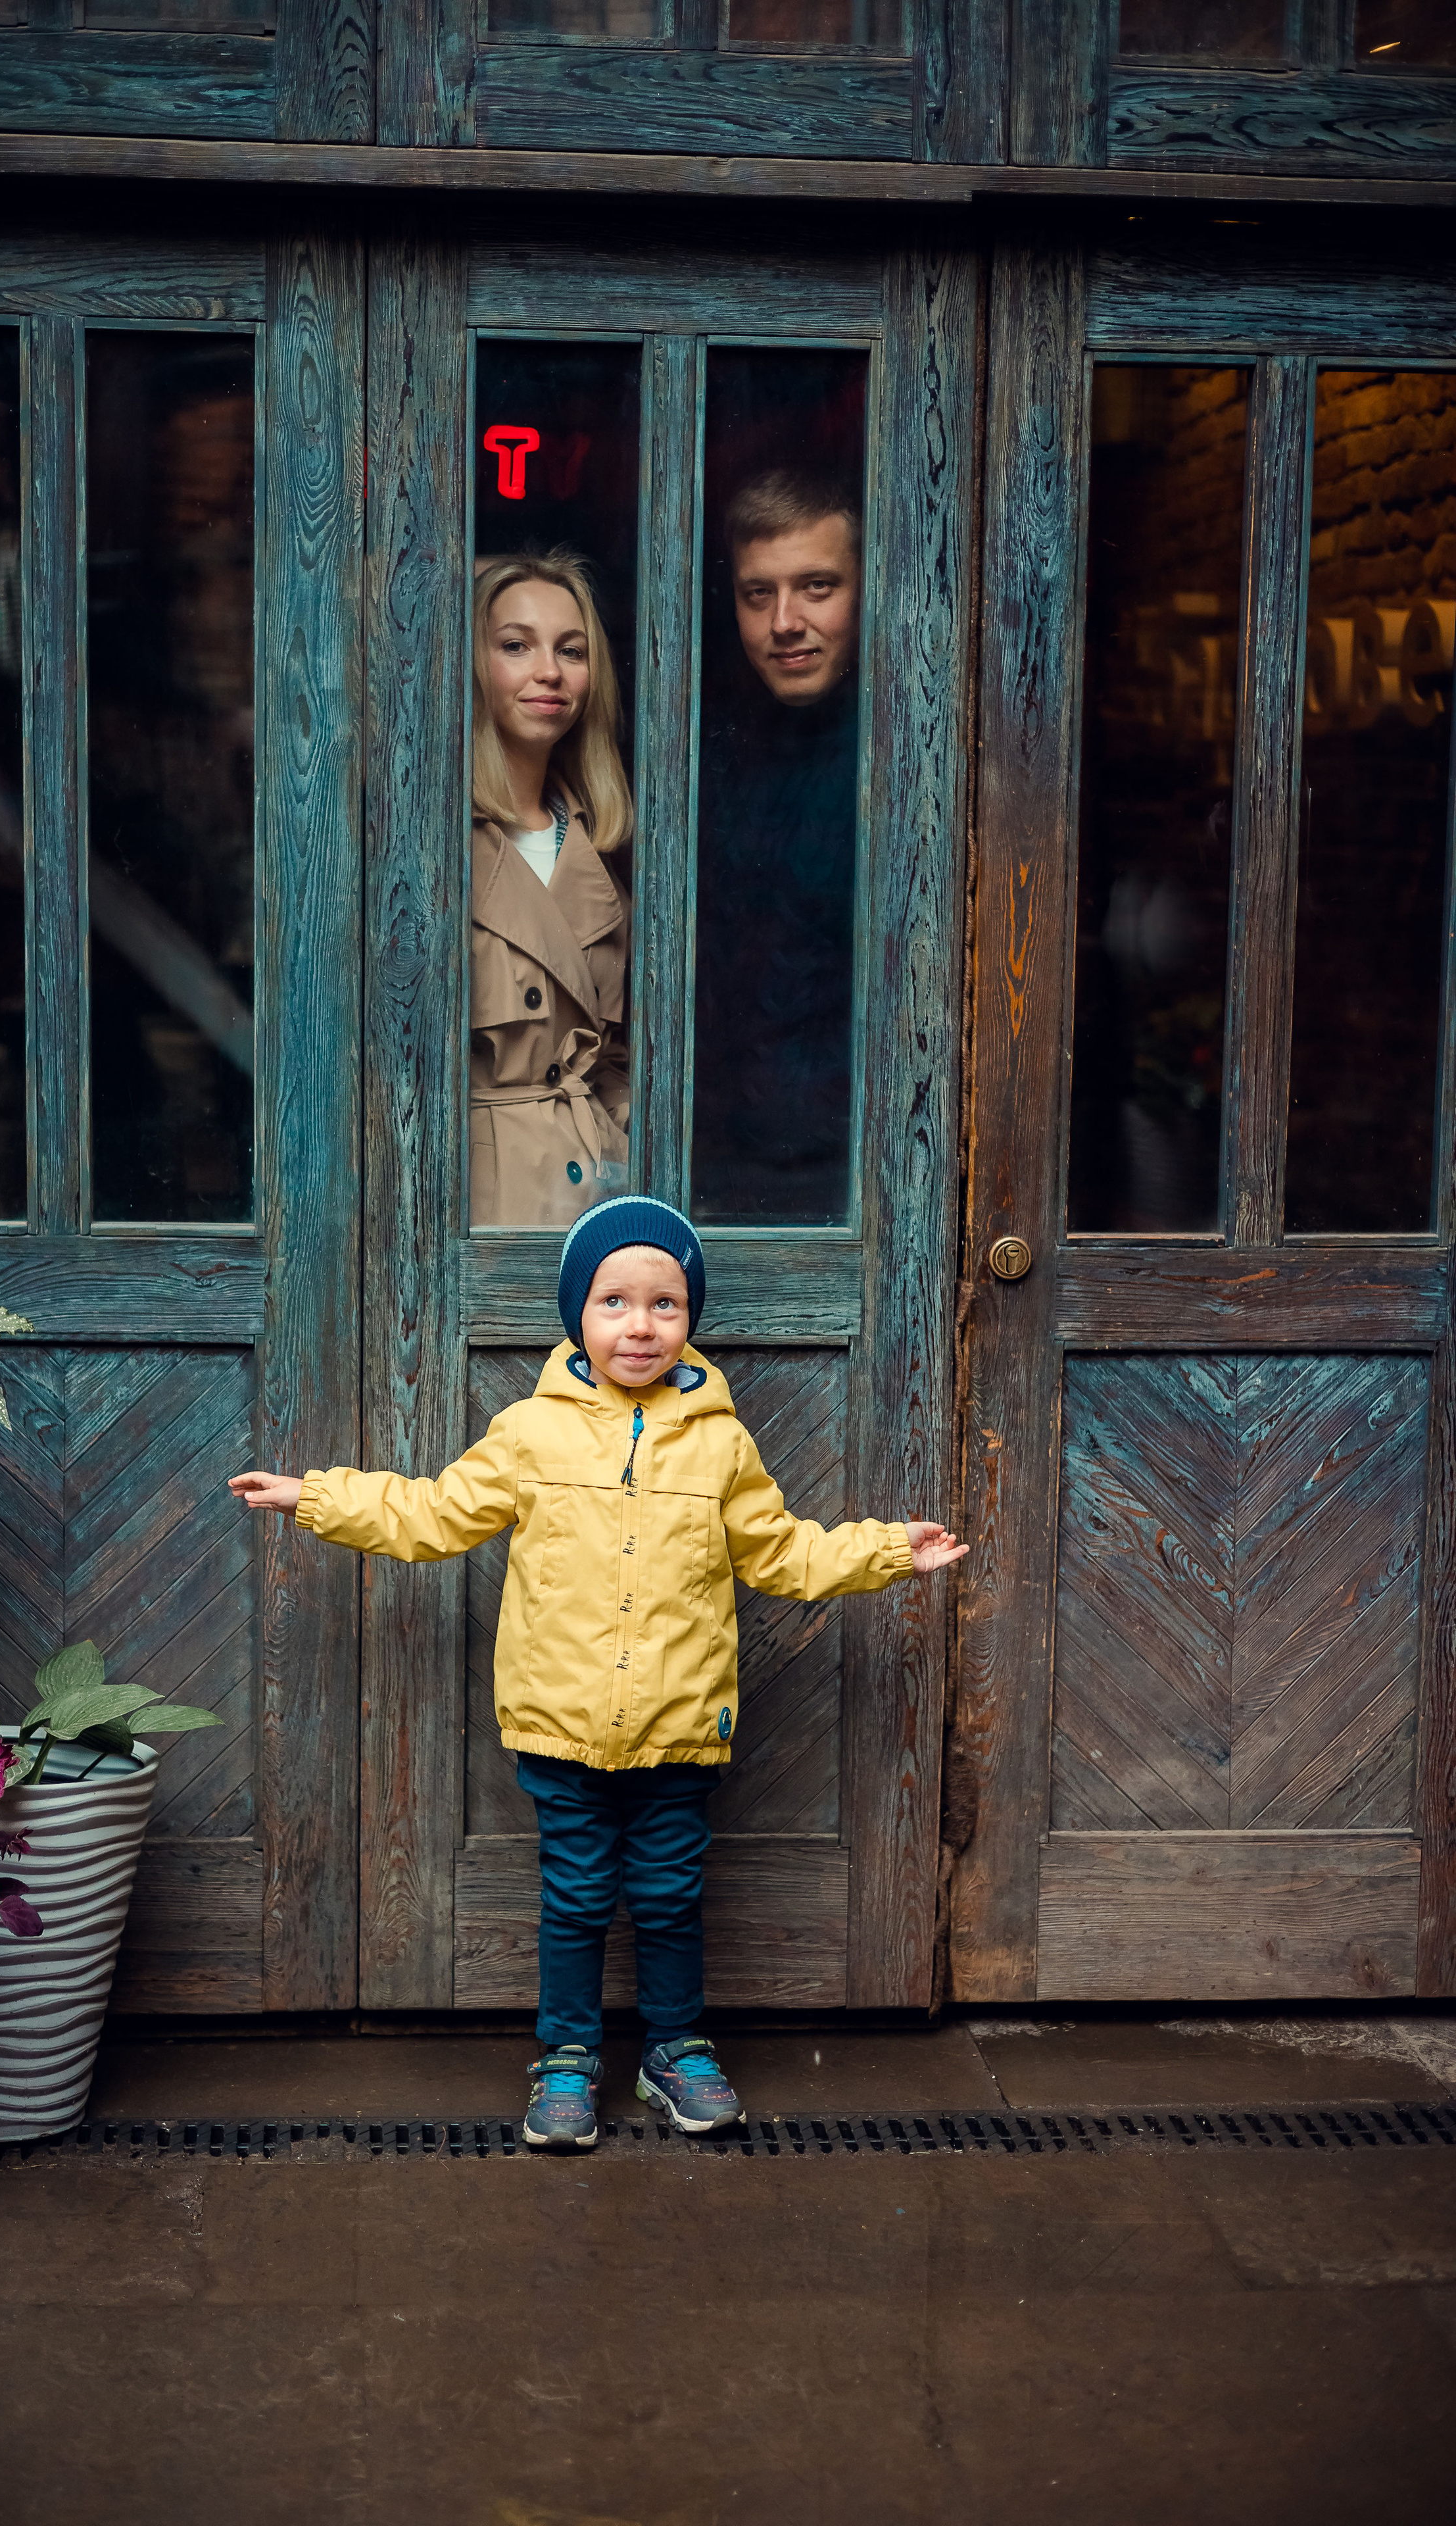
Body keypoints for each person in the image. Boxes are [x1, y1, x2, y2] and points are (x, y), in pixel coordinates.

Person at [230, 1194, 967, 2152]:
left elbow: (780, 1552)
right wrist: (313, 1495)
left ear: (690, 1318)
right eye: (615, 1301)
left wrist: (883, 1553)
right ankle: (567, 2056)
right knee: (575, 1896)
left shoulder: (720, 1441)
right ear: (578, 1312)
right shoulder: (530, 1434)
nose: (641, 1324)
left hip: (679, 1723)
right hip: (561, 1724)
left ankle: (676, 2048)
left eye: (665, 1304)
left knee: (668, 1895)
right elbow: (433, 1515)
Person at [693, 470, 865, 1224]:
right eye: (758, 594)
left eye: (817, 586)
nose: (785, 620)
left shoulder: (914, 753)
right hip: (704, 1170)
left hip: (869, 1183)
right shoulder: (698, 749)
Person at [468, 549, 633, 1228]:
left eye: (572, 651)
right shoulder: (423, 846)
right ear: (472, 665)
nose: (549, 672)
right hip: (479, 1202)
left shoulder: (601, 845)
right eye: (515, 645)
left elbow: (616, 1058)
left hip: (599, 1196)